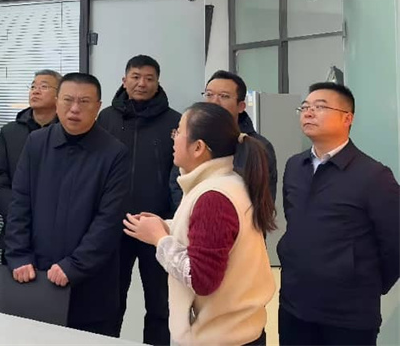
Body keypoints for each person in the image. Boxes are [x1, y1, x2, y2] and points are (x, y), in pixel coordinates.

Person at [124, 102, 275, 346]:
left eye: (178, 131)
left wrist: (160, 240)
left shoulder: (214, 196)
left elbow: (200, 279)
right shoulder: (223, 183)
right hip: (236, 333)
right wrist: (167, 227)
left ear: (198, 147)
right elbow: (207, 238)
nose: (173, 138)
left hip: (221, 338)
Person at [5, 72, 129, 336]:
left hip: (90, 283)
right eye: (68, 100)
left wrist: (75, 265)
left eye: (84, 102)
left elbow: (108, 221)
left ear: (98, 106)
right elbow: (19, 203)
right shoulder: (37, 143)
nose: (74, 109)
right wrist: (19, 254)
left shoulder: (114, 153)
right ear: (57, 101)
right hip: (35, 274)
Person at [278, 82, 399, 346]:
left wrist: (364, 282)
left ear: (347, 118)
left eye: (320, 107)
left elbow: (395, 243)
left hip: (348, 315)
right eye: (305, 107)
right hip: (294, 304)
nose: (309, 113)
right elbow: (294, 221)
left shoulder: (374, 176)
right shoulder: (295, 166)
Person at [96, 55, 180, 345]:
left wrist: (173, 219)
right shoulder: (106, 118)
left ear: (157, 83)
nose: (142, 83)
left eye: (149, 78)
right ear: (124, 80)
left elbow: (179, 174)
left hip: (157, 226)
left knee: (160, 304)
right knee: (109, 301)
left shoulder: (175, 121)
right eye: (135, 77)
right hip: (114, 225)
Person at [0, 69, 61, 263]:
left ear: (59, 95)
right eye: (33, 86)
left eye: (44, 86)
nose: (35, 91)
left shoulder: (67, 132)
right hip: (16, 231)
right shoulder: (10, 132)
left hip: (59, 233)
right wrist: (16, 214)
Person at [203, 70, 277, 203]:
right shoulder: (193, 138)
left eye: (224, 96)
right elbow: (177, 183)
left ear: (241, 106)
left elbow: (262, 200)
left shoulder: (257, 146)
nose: (214, 102)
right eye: (209, 94)